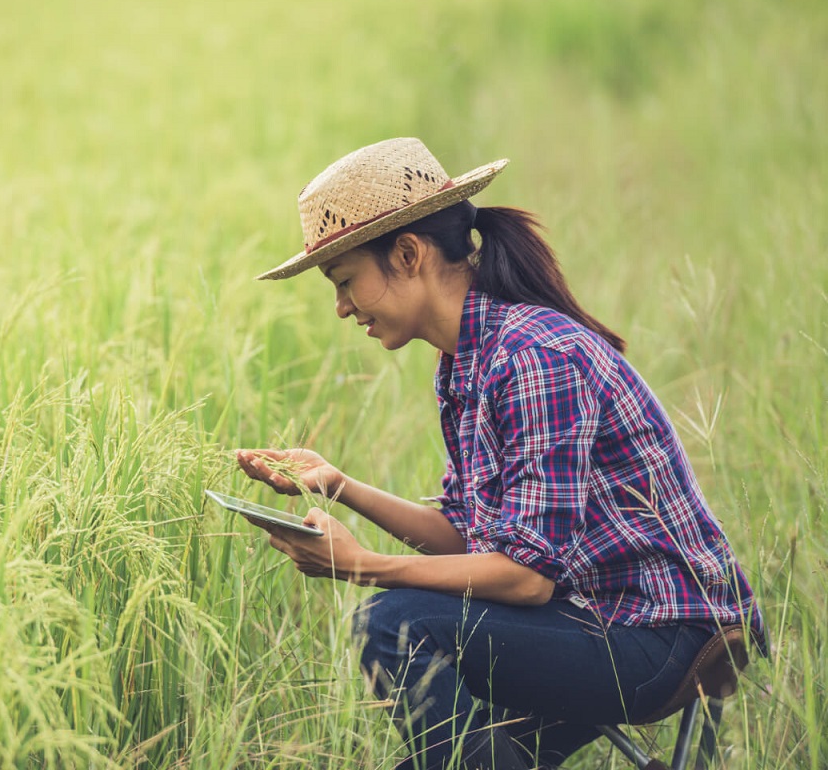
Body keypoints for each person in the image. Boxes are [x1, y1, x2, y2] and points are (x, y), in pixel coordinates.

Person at [234, 138, 765, 769]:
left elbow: (526, 577)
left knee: (393, 625)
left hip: (665, 633)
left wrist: (361, 566)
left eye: (346, 282)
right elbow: (472, 542)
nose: (342, 307)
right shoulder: (465, 365)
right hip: (596, 618)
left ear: (407, 254)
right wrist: (338, 484)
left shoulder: (534, 359)